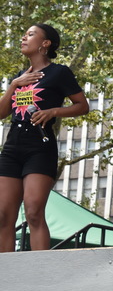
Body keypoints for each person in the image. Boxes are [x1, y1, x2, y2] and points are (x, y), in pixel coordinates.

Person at [0, 24, 89, 252]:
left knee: (33, 212)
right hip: (11, 149)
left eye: (30, 34)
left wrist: (53, 112)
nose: (23, 37)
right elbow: (2, 113)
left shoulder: (59, 72)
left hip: (39, 149)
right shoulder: (19, 77)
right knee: (2, 216)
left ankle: (39, 272)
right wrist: (12, 86)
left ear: (45, 43)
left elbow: (82, 106)